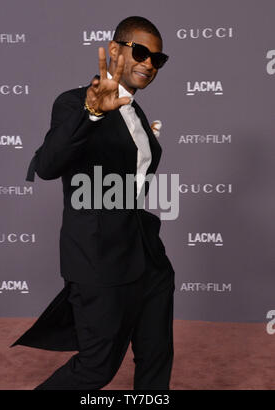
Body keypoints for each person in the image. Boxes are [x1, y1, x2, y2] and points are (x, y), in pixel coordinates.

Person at [11, 15, 175, 390]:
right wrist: (93, 113)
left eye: (158, 59)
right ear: (115, 50)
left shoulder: (135, 110)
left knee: (156, 356)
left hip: (147, 257)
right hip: (99, 258)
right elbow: (50, 164)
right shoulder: (75, 103)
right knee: (96, 368)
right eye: (141, 52)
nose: (149, 63)